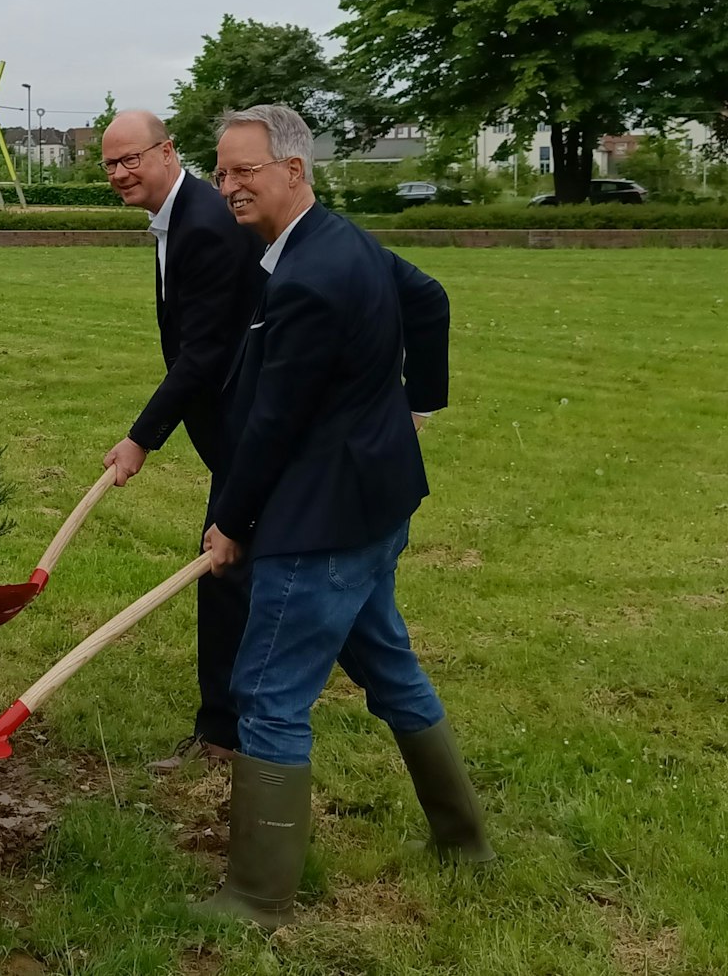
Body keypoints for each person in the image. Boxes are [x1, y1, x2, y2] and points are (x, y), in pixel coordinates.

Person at [192, 104, 492, 929]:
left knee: (268, 694)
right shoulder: (340, 241)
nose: (229, 187)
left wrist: (231, 522)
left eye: (245, 170)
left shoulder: (310, 279)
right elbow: (426, 298)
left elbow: (271, 424)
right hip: (374, 505)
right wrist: (415, 405)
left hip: (321, 524)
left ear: (295, 170)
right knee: (390, 667)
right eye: (220, 173)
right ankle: (465, 843)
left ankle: (256, 897)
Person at [96, 110, 267, 774]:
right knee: (247, 570)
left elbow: (201, 356)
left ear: (168, 151)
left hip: (252, 427)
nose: (119, 173)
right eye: (109, 163)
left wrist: (141, 438)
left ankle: (226, 736)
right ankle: (231, 728)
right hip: (238, 426)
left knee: (225, 570)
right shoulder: (180, 217)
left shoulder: (203, 223)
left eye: (131, 158)